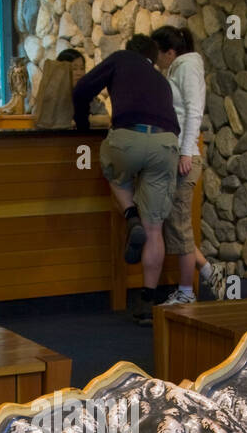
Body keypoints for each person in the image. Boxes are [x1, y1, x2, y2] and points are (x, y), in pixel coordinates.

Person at [73, 34, 179, 326]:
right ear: (154, 56)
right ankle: (147, 301)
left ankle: (130, 214)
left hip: (127, 138)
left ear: (130, 50)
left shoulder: (120, 60)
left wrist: (81, 126)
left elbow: (81, 90)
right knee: (155, 227)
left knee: (115, 174)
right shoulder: (160, 80)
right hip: (165, 143)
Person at [152, 24, 214, 304]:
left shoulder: (187, 67)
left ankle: (187, 291)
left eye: (159, 54)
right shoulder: (176, 68)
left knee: (179, 225)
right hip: (176, 152)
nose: (157, 60)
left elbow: (193, 109)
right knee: (173, 223)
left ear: (171, 52)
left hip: (183, 155)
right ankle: (210, 272)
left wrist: (187, 152)